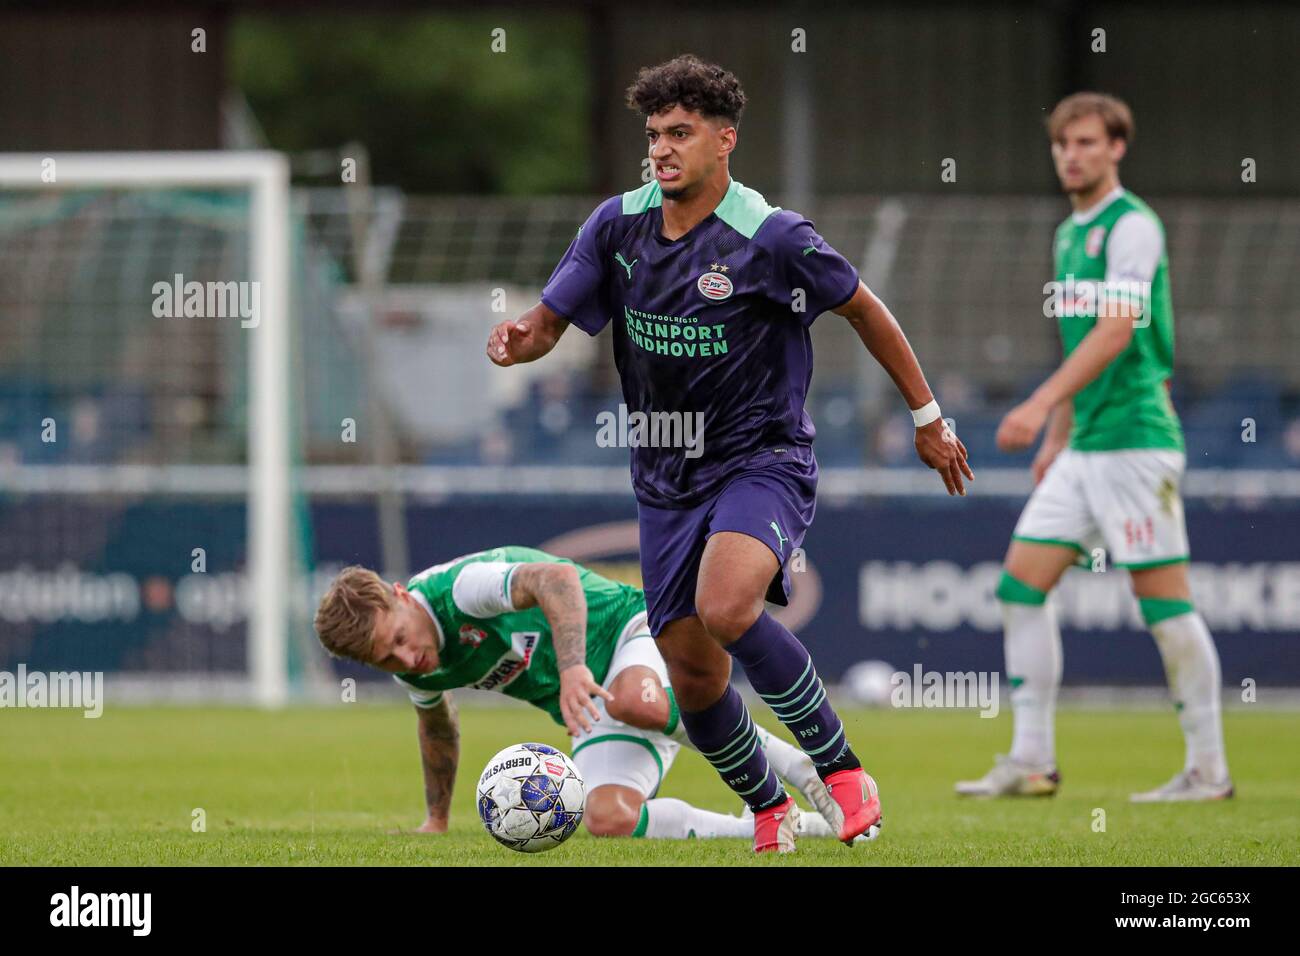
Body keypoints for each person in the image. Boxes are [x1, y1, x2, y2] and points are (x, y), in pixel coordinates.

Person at [487, 55, 971, 850]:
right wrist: (518, 342)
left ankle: (842, 770)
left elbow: (865, 310)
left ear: (725, 140)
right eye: (653, 135)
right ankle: (768, 808)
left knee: (727, 606)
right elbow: (547, 321)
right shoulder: (617, 226)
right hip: (664, 478)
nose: (663, 150)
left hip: (762, 459)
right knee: (695, 672)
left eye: (680, 133)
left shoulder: (772, 236)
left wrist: (927, 416)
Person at [957, 93, 1231, 802]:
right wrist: (1058, 433)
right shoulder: (1068, 234)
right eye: (1061, 144)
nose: (1071, 155)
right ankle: (1032, 760)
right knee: (1020, 587)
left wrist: (1041, 401)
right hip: (1085, 448)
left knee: (1163, 604)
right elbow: (1082, 340)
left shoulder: (1133, 226)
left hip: (1136, 445)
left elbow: (1115, 333)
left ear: (1116, 148)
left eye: (1085, 142)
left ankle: (1207, 770)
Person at [314, 546, 874, 841]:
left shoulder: (459, 590)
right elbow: (437, 725)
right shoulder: (413, 664)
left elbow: (555, 579)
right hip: (594, 698)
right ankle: (775, 825)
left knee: (633, 697)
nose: (404, 661)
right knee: (606, 817)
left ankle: (808, 773)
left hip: (637, 631)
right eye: (383, 660)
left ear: (399, 596)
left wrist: (575, 665)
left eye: (399, 641)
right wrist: (436, 819)